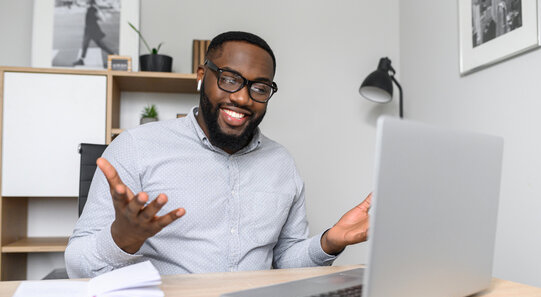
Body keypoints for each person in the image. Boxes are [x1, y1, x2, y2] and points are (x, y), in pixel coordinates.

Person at [65, 31, 371, 278]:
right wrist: (122, 238)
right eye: (229, 78)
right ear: (202, 76)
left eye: (260, 88)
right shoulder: (136, 147)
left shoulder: (282, 164)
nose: (241, 97)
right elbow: (77, 265)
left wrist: (327, 243)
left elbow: (285, 262)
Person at [73, 0, 116, 67]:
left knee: (101, 45)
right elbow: (80, 5)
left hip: (93, 30)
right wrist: (75, 1)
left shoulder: (93, 8)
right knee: (85, 44)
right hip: (88, 29)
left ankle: (114, 56)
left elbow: (101, 18)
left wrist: (98, 16)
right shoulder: (89, 7)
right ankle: (81, 60)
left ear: (91, 0)